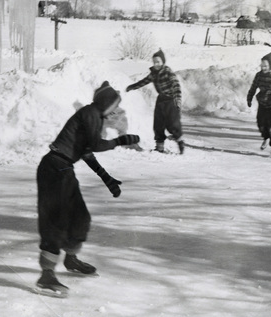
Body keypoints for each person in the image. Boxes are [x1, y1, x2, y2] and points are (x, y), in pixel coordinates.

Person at [35, 81, 140, 297]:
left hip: (64, 169)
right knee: (56, 222)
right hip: (54, 169)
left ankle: (70, 259)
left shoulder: (93, 115)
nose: (114, 111)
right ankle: (46, 275)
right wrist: (120, 140)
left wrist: (107, 178)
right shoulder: (92, 113)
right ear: (107, 103)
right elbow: (95, 145)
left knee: (81, 217)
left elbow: (86, 152)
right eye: (115, 105)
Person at [125, 49, 185, 154]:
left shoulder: (168, 72)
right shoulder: (153, 74)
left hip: (171, 101)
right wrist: (132, 87)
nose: (156, 64)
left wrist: (178, 101)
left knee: (172, 124)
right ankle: (159, 147)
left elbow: (176, 87)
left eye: (158, 62)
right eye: (154, 62)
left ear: (163, 62)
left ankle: (180, 141)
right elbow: (144, 81)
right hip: (161, 100)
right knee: (158, 124)